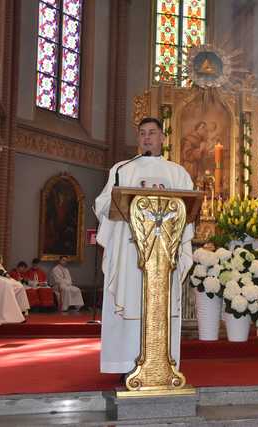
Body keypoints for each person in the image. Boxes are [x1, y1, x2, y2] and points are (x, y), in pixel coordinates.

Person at [94, 116, 195, 374]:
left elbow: (188, 212)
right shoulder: (121, 169)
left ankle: (162, 364)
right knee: (130, 302)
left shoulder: (178, 173)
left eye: (152, 132)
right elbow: (103, 204)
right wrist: (115, 201)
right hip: (130, 252)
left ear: (163, 137)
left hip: (164, 252)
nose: (147, 137)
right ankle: (126, 363)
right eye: (142, 133)